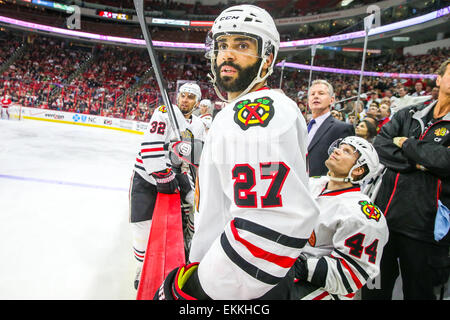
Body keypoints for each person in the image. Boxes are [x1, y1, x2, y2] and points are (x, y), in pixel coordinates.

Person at [154, 4, 319, 300]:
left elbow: (269, 224)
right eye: (222, 45)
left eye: (242, 44)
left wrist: (196, 289)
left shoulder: (255, 111)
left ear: (267, 58)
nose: (227, 54)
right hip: (249, 278)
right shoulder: (256, 107)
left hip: (239, 285)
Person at [362, 58, 450, 300]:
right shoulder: (408, 114)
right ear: (439, 79)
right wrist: (422, 161)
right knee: (373, 291)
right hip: (383, 222)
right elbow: (381, 147)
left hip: (426, 229)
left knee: (419, 294)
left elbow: (445, 162)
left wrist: (407, 144)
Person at [292, 136, 389, 300]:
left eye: (347, 151)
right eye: (340, 147)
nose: (337, 150)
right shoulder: (314, 183)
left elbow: (350, 274)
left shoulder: (362, 214)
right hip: (289, 270)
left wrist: (296, 266)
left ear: (358, 169)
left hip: (322, 289)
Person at [129, 82, 204, 290]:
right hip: (146, 175)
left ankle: (190, 239)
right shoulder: (164, 112)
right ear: (177, 97)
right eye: (182, 96)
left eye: (190, 97)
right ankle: (141, 265)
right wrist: (161, 175)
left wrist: (199, 182)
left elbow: (197, 156)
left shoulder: (198, 125)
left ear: (196, 102)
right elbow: (150, 144)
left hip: (176, 174)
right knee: (141, 225)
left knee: (198, 206)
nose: (185, 100)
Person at [307, 79, 354, 177]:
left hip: (322, 186)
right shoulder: (304, 127)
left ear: (332, 100)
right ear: (308, 101)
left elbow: (344, 165)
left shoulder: (342, 128)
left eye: (321, 93)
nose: (316, 96)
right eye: (312, 94)